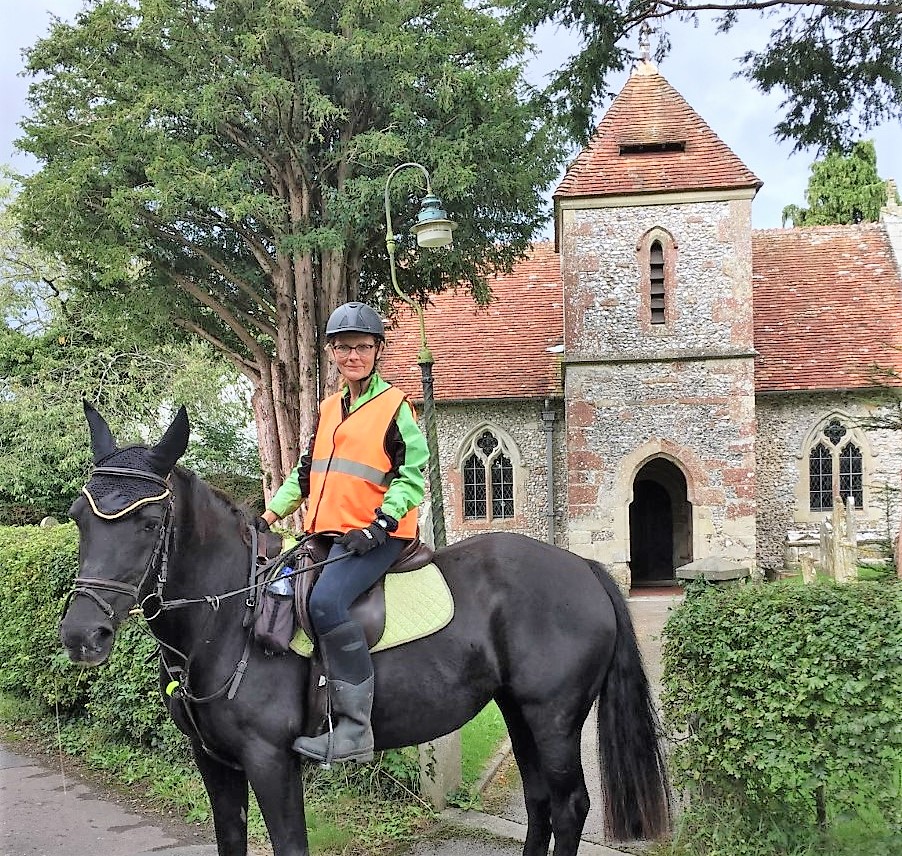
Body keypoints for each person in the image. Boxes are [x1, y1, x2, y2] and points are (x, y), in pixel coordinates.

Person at [260, 301, 428, 763]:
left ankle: (355, 731)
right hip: (328, 534)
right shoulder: (329, 408)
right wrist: (270, 516)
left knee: (325, 601)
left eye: (362, 346)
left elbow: (414, 476)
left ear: (377, 350)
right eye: (343, 347)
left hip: (378, 537)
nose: (353, 355)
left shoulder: (396, 406)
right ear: (332, 352)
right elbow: (305, 472)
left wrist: (381, 525)